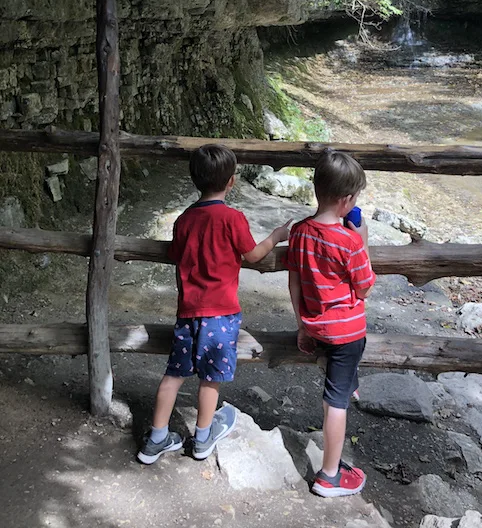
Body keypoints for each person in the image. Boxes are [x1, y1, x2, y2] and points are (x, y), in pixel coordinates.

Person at [137, 144, 291, 464]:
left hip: (188, 312)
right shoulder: (232, 218)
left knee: (174, 375)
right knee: (211, 379)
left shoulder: (184, 220)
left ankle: (156, 439)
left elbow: (175, 254)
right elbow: (252, 255)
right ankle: (203, 438)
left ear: (194, 180)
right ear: (231, 182)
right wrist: (276, 236)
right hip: (222, 313)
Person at [285, 150, 376, 497]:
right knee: (334, 403)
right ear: (347, 201)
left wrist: (302, 326)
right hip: (346, 333)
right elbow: (364, 286)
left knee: (340, 368)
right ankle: (330, 475)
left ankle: (345, 378)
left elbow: (294, 283)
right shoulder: (349, 241)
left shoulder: (299, 232)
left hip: (315, 327)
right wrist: (363, 240)